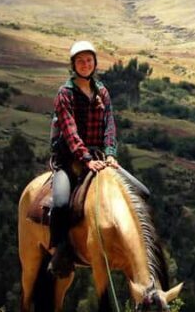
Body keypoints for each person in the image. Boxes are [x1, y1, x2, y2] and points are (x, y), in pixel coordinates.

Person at [48, 41, 119, 277]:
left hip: (99, 157)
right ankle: (60, 250)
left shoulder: (103, 92)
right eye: (80, 61)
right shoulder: (64, 94)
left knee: (140, 192)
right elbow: (69, 130)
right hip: (69, 159)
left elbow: (110, 125)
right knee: (59, 203)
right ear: (73, 65)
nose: (85, 64)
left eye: (89, 60)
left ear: (95, 63)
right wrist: (85, 158)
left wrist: (110, 153)